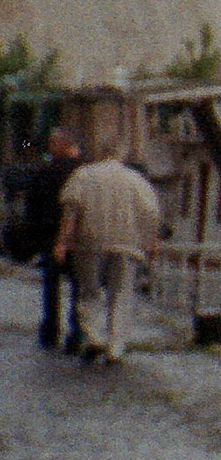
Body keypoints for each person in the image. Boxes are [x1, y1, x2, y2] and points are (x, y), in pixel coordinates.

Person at [50, 141, 162, 365]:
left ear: (99, 155)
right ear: (122, 157)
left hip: (89, 242)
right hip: (127, 244)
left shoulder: (83, 176)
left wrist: (62, 242)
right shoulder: (137, 181)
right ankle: (115, 346)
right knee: (121, 294)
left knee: (89, 291)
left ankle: (94, 336)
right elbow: (151, 214)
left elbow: (71, 211)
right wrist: (152, 242)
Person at [12, 128, 77, 353]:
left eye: (52, 143)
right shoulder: (82, 171)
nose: (49, 147)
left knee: (51, 287)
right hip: (78, 237)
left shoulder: (45, 172)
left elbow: (32, 207)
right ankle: (77, 332)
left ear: (61, 145)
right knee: (78, 286)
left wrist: (33, 237)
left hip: (50, 235)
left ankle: (50, 330)